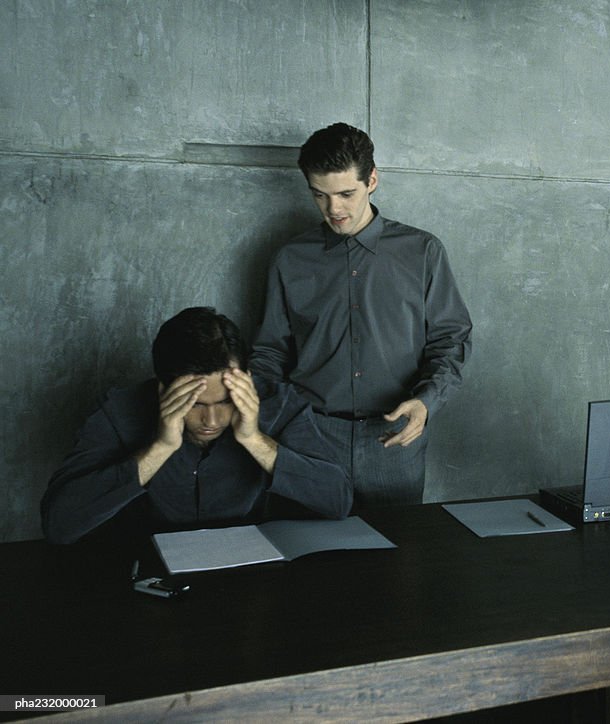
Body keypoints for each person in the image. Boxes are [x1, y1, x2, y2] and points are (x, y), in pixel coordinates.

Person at [250, 122, 472, 508]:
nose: (334, 209)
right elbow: (269, 352)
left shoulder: (422, 252)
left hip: (394, 438)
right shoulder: (289, 259)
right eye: (319, 195)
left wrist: (427, 402)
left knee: (395, 562)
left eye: (345, 193)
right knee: (308, 559)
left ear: (372, 180)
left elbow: (450, 340)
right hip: (309, 436)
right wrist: (277, 422)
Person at [41, 307, 350, 545]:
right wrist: (160, 448)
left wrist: (255, 440)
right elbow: (59, 525)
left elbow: (338, 501)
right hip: (147, 575)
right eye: (196, 405)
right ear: (163, 390)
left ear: (247, 380)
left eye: (226, 402)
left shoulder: (280, 403)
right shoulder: (119, 412)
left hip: (252, 573)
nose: (212, 421)